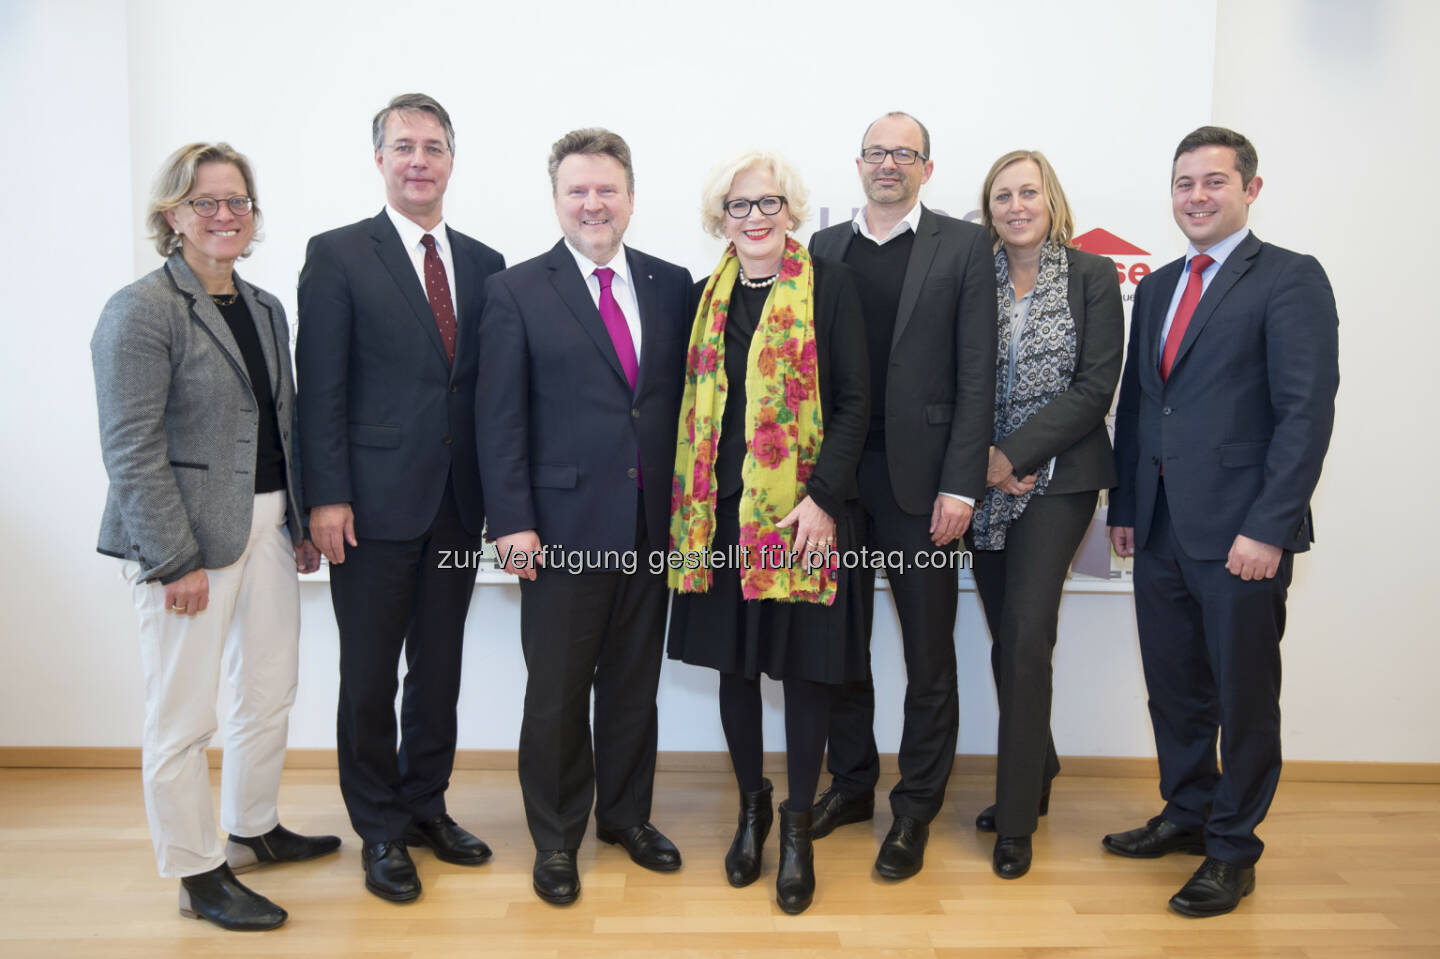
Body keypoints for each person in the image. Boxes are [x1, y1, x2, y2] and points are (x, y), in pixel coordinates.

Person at [92, 142, 339, 931]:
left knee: (269, 689)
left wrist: (297, 523)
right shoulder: (140, 310)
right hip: (186, 544)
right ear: (173, 216)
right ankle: (197, 873)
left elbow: (284, 425)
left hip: (268, 527)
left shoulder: (264, 305)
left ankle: (253, 823)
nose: (226, 215)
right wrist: (174, 558)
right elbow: (129, 446)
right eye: (207, 203)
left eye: (238, 202)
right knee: (182, 714)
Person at [1106, 126, 1339, 917]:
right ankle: (1186, 810)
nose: (1197, 197)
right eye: (1183, 184)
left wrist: (1269, 525)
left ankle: (1233, 847)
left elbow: (1305, 414)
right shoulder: (1162, 282)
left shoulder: (1289, 279)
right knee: (1174, 688)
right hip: (1163, 528)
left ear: (1250, 188)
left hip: (1244, 534)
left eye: (1213, 182)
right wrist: (1128, 510)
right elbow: (1143, 404)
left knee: (1242, 696)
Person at [296, 93, 505, 903]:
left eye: (434, 145)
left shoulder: (486, 264)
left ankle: (426, 804)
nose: (419, 159)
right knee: (370, 671)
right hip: (370, 507)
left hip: (457, 504)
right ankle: (378, 826)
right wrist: (327, 496)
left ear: (453, 158)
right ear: (379, 159)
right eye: (403, 146)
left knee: (440, 667)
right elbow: (323, 388)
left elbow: (487, 391)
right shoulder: (340, 254)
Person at [476, 128, 692, 906]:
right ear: (557, 199)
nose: (594, 203)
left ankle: (626, 817)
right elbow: (497, 418)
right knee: (559, 691)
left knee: (635, 685)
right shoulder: (516, 290)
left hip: (650, 528)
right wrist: (512, 521)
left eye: (607, 189)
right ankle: (558, 835)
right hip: (559, 530)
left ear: (631, 196)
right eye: (578, 190)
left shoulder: (674, 284)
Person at [667, 151, 869, 914]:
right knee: (737, 669)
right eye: (739, 205)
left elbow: (854, 402)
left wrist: (822, 498)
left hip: (804, 520)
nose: (754, 218)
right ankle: (751, 807)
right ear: (721, 217)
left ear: (791, 210)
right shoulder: (700, 298)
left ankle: (796, 829)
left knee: (808, 674)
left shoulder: (832, 288)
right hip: (720, 518)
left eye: (768, 203)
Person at [808, 112, 996, 879]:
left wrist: (961, 481)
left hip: (923, 486)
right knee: (839, 644)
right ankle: (852, 785)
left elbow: (977, 370)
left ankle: (915, 806)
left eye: (904, 153)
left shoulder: (962, 243)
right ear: (859, 163)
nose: (890, 164)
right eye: (877, 152)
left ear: (926, 165)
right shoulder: (822, 247)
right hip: (837, 482)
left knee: (928, 650)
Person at [968, 150, 1123, 879]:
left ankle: (1017, 817)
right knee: (1009, 639)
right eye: (1003, 195)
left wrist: (1019, 452)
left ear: (1050, 198)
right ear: (988, 208)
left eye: (1028, 192)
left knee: (1028, 632)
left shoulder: (1092, 276)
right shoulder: (974, 276)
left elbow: (1095, 387)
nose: (1016, 205)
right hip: (982, 480)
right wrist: (988, 462)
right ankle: (1042, 761)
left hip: (1061, 482)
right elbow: (958, 373)